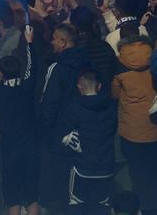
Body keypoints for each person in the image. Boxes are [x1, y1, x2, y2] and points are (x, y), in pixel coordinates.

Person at [112, 27, 157, 215]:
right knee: (154, 173)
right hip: (155, 130)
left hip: (131, 134)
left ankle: (137, 207)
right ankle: (154, 208)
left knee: (136, 174)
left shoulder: (121, 75)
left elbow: (114, 95)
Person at [0, 25, 39, 215]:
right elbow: (32, 68)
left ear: (1, 73)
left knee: (13, 198)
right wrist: (29, 44)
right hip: (31, 150)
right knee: (32, 196)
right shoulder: (26, 89)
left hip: (10, 153)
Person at [39, 24, 90, 213]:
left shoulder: (57, 67)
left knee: (58, 179)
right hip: (83, 129)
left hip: (59, 132)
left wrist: (44, 128)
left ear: (62, 42)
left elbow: (49, 102)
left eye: (54, 38)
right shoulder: (87, 62)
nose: (51, 42)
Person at [58, 70, 117, 215]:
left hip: (82, 167)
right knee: (103, 206)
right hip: (107, 166)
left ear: (79, 87)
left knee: (76, 204)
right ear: (99, 86)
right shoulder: (111, 107)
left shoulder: (74, 108)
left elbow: (63, 134)